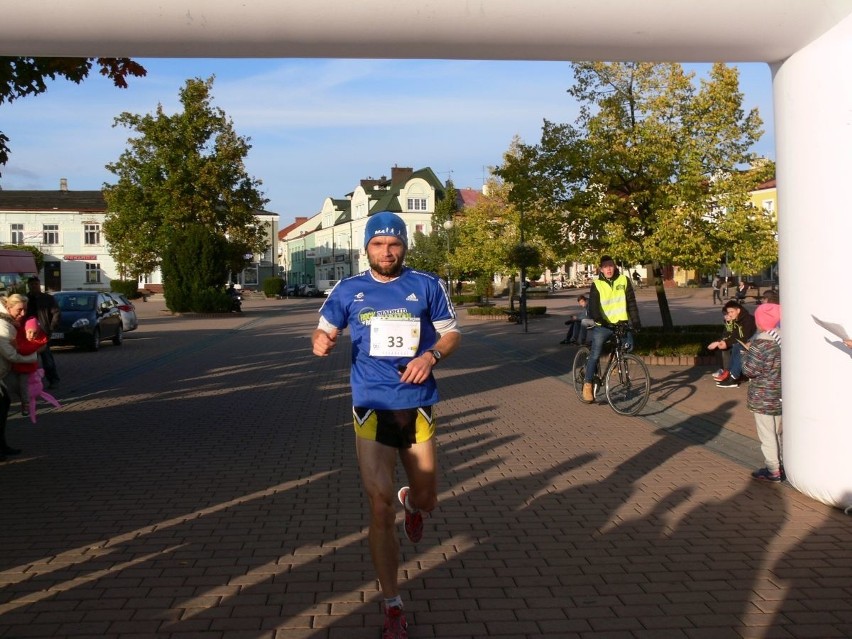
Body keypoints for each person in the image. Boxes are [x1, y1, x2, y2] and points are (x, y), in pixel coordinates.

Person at [311, 211, 461, 639]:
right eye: (378, 244)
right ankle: (392, 602)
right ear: (366, 249)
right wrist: (320, 342)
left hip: (417, 404)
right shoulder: (348, 289)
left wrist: (431, 355)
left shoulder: (427, 285)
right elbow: (322, 331)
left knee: (429, 497)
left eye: (393, 244)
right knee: (379, 507)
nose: (387, 251)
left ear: (403, 247)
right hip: (371, 404)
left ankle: (414, 503)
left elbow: (451, 334)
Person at [581, 255, 641, 403]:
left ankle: (614, 362)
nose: (609, 269)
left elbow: (631, 303)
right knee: (595, 354)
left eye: (611, 266)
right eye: (605, 266)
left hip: (621, 324)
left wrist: (636, 321)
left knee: (629, 347)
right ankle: (587, 384)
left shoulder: (623, 280)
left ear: (615, 267)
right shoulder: (597, 284)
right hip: (604, 326)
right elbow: (594, 306)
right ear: (601, 269)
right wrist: (599, 319)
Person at [742, 303, 783, 481]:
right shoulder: (785, 340)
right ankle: (782, 463)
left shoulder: (760, 344)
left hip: (762, 395)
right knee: (779, 432)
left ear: (760, 322)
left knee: (767, 434)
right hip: (781, 394)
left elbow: (749, 370)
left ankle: (773, 469)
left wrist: (745, 354)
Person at [0, 294, 39, 461]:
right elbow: (10, 355)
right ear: (8, 308)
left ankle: (2, 446)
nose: (22, 313)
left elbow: (33, 322)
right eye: (19, 310)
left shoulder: (9, 323)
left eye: (24, 309)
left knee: (4, 405)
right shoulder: (3, 326)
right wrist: (32, 358)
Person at [707, 300, 757, 388]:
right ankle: (729, 373)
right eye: (728, 312)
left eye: (731, 312)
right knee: (734, 347)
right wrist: (722, 342)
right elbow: (730, 335)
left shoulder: (748, 319)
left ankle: (734, 376)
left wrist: (726, 342)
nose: (729, 314)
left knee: (739, 348)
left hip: (752, 343)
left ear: (738, 310)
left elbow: (744, 337)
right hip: (745, 343)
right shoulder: (736, 319)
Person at [25, 276, 60, 387]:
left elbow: (56, 313)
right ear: (28, 286)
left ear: (39, 285)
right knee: (29, 358)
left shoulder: (48, 298)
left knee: (47, 358)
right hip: (28, 333)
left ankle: (53, 380)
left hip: (44, 331)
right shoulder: (26, 299)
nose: (34, 286)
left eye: (36, 284)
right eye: (31, 284)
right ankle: (31, 381)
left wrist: (51, 328)